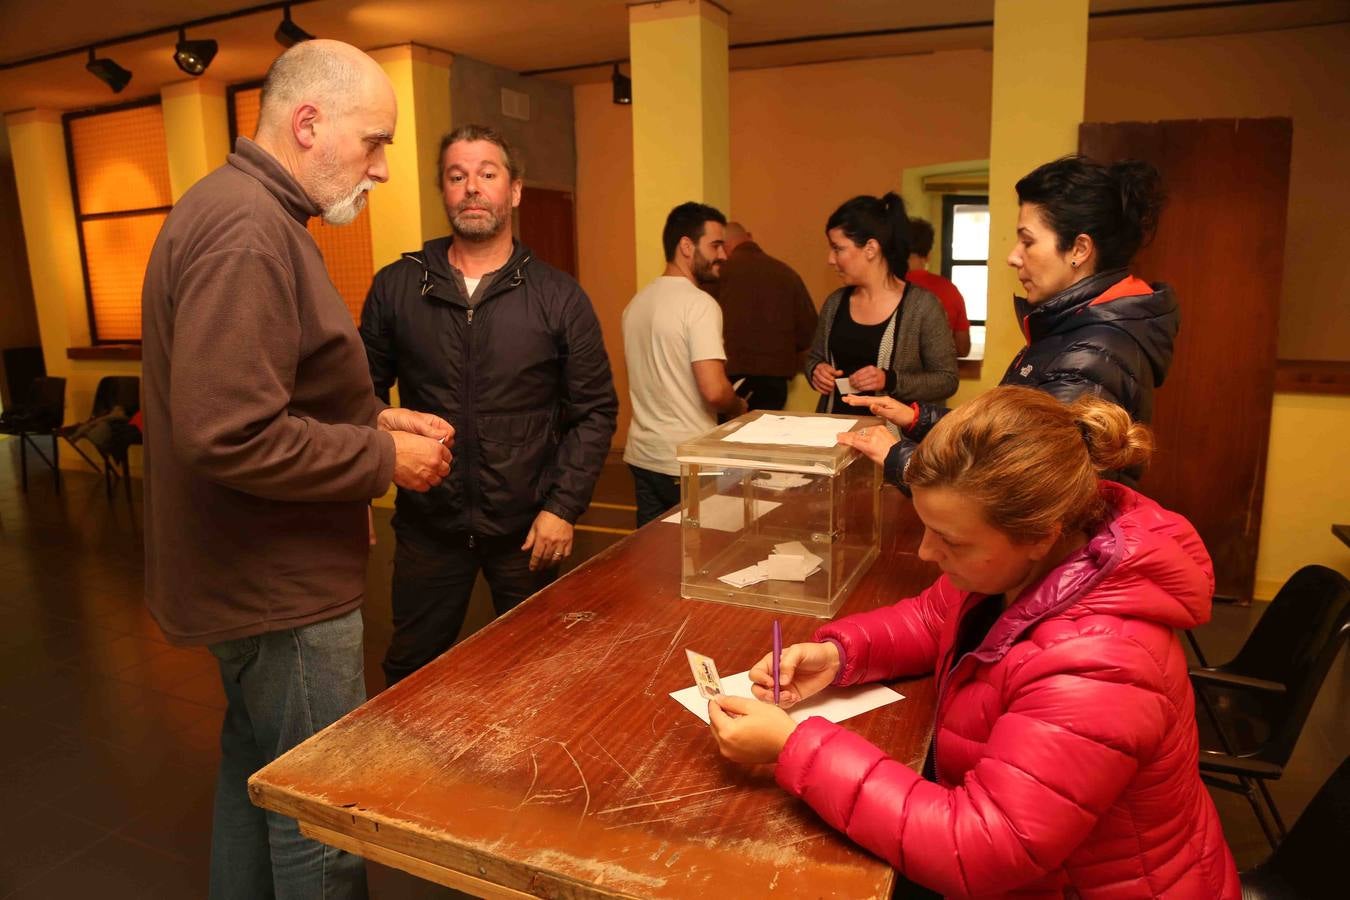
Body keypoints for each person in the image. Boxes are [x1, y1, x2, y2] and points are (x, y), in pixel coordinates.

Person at [707, 386, 1240, 899]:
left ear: (1040, 535)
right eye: (926, 527)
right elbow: (931, 618)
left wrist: (793, 748)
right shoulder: (1023, 564)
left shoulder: (1099, 667)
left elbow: (980, 849)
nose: (924, 552)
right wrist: (840, 655)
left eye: (950, 539)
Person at [141, 41, 454, 899]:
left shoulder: (245, 211)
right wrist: (382, 454)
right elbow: (229, 433)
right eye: (375, 142)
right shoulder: (248, 230)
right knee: (323, 823)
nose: (384, 168)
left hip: (250, 586)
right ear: (307, 124)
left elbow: (265, 393)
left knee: (258, 788)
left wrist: (373, 416)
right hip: (280, 595)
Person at [360, 124, 618, 686]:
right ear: (444, 192)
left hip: (529, 531)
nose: (471, 187)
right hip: (429, 528)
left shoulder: (559, 297)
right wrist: (359, 484)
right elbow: (360, 397)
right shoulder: (397, 289)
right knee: (410, 672)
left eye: (487, 174)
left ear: (515, 191)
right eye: (457, 176)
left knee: (541, 673)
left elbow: (595, 410)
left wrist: (563, 507)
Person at [840, 156, 1174, 489]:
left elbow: (1009, 487)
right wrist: (916, 418)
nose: (1013, 256)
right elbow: (1005, 436)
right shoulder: (1071, 328)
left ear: (1079, 249)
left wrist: (899, 456)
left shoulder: (1091, 353)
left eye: (1027, 241)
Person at [623, 202, 746, 527]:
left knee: (651, 558)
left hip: (644, 456)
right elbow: (715, 391)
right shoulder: (700, 305)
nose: (724, 255)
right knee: (704, 558)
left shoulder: (636, 303)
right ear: (686, 246)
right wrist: (738, 405)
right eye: (716, 245)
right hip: (689, 460)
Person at [804, 193, 958, 415]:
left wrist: (889, 379)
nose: (830, 259)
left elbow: (947, 380)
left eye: (838, 248)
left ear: (870, 248)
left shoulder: (923, 306)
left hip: (893, 443)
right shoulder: (835, 303)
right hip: (833, 435)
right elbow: (815, 358)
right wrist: (816, 370)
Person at [711, 221, 818, 410]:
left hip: (730, 380)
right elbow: (810, 336)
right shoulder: (787, 274)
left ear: (723, 247)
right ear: (749, 236)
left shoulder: (719, 275)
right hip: (775, 384)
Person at [905, 217, 971, 358]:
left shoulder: (887, 287)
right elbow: (963, 348)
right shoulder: (949, 289)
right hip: (939, 376)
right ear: (928, 255)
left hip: (894, 377)